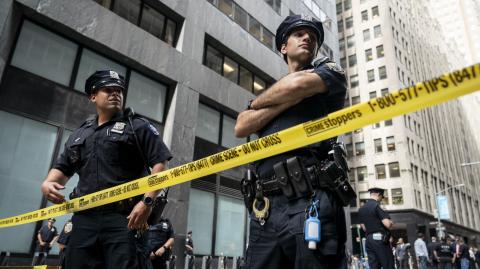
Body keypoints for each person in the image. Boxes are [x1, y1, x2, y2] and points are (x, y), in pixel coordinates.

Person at [234, 14, 350, 269]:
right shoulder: (274, 93)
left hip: (309, 200)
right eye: (299, 34)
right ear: (283, 47)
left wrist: (262, 104)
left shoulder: (331, 72)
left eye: (313, 36)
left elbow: (297, 84)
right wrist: (284, 99)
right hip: (265, 208)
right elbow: (241, 125)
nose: (308, 37)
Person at [40, 70, 172, 269]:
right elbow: (62, 167)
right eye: (108, 90)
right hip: (84, 220)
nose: (115, 94)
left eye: (119, 90)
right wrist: (48, 183)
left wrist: (147, 202)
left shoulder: (137, 126)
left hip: (125, 219)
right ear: (93, 96)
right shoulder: (79, 134)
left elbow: (160, 166)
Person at [358, 187, 394, 269]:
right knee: (388, 264)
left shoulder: (361, 209)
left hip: (369, 240)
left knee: (374, 266)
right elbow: (387, 224)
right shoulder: (376, 206)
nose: (381, 199)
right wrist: (391, 223)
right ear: (378, 195)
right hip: (380, 239)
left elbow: (364, 228)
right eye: (381, 197)